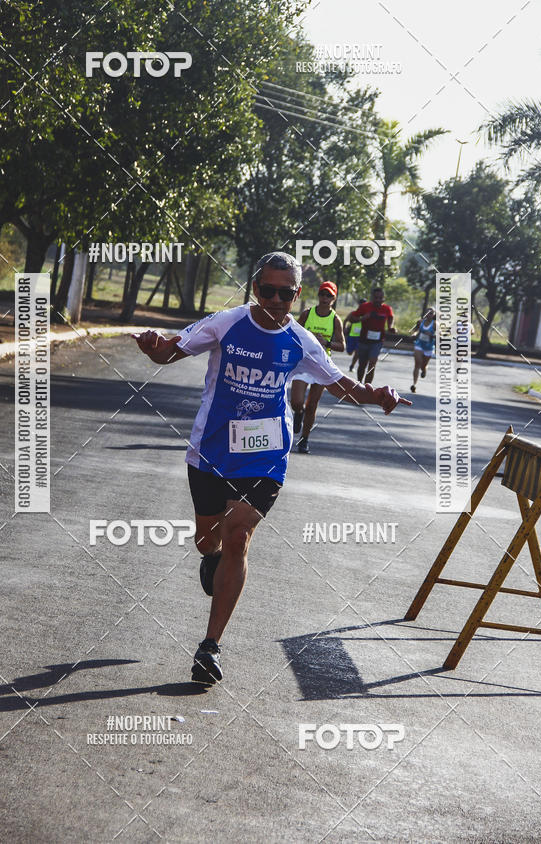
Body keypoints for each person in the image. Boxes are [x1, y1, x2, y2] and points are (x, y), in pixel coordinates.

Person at [133, 252, 410, 686]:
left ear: (296, 295)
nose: (277, 301)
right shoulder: (226, 323)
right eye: (268, 291)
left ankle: (210, 647)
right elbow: (169, 353)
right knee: (208, 539)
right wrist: (154, 347)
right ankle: (211, 559)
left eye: (286, 293)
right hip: (212, 448)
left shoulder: (301, 341)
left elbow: (342, 385)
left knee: (238, 536)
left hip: (264, 451)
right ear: (254, 289)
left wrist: (377, 394)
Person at [290, 280, 345, 454]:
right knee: (296, 401)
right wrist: (308, 338)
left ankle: (304, 440)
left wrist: (326, 342)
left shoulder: (335, 319)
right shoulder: (307, 314)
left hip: (322, 364)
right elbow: (292, 333)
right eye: (322, 294)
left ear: (334, 298)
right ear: (318, 295)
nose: (325, 298)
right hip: (304, 361)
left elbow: (342, 346)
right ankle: (299, 412)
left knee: (312, 405)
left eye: (329, 295)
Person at [344, 287, 396, 385]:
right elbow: (352, 318)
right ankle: (360, 384)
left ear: (383, 298)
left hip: (377, 342)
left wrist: (390, 327)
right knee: (362, 365)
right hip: (363, 340)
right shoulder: (365, 307)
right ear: (372, 298)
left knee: (372, 364)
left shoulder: (387, 309)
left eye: (380, 298)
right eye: (376, 298)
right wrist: (362, 318)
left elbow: (391, 318)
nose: (378, 300)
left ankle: (367, 387)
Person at [411, 308, 437, 393]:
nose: (429, 314)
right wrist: (414, 334)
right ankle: (414, 385)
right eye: (428, 312)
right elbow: (415, 330)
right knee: (417, 364)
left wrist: (432, 335)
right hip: (419, 345)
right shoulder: (420, 322)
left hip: (429, 347)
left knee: (423, 365)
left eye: (431, 313)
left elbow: (439, 335)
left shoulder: (435, 324)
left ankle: (424, 370)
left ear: (434, 315)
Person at [346, 299, 366, 372]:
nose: (362, 305)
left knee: (357, 352)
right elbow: (346, 320)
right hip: (352, 335)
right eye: (361, 304)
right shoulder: (354, 313)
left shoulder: (366, 314)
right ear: (359, 304)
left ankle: (352, 366)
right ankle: (352, 349)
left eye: (364, 304)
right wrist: (344, 328)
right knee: (349, 352)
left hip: (360, 337)